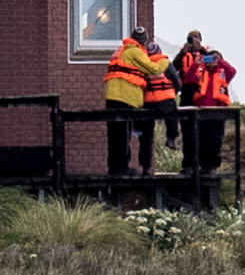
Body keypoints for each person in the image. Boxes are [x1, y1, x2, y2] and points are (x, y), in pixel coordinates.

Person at [100, 28, 172, 180]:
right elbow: (154, 69)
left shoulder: (122, 50)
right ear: (143, 41)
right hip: (125, 96)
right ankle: (121, 169)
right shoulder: (135, 52)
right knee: (122, 135)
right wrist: (165, 59)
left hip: (113, 95)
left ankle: (115, 168)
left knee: (115, 134)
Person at [169, 31, 237, 181]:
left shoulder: (221, 71)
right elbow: (185, 76)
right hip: (197, 106)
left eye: (197, 39)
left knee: (215, 139)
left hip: (217, 110)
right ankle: (194, 166)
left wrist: (217, 59)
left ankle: (210, 167)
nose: (210, 61)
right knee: (199, 138)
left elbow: (232, 71)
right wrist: (196, 60)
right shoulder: (199, 70)